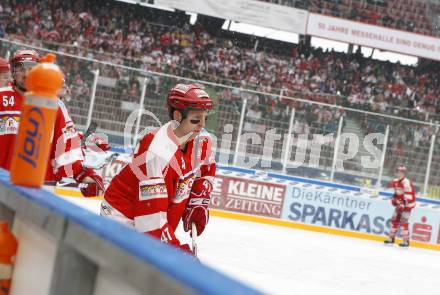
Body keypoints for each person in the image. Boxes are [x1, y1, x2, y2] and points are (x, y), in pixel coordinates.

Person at [101, 83, 216, 252]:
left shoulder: (201, 141)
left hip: (150, 219)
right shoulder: (156, 151)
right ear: (177, 116)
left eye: (205, 118)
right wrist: (176, 252)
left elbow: (206, 168)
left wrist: (199, 199)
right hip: (122, 220)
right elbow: (150, 221)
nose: (202, 125)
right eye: (195, 120)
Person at [0, 49, 103, 197]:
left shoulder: (54, 105)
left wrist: (82, 174)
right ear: (13, 73)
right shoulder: (1, 97)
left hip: (38, 189)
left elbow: (66, 146)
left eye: (31, 69)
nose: (26, 74)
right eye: (20, 69)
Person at [384, 166, 416, 247]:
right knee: (394, 220)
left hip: (408, 205)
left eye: (401, 172)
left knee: (404, 222)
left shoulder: (407, 182)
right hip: (400, 204)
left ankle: (406, 241)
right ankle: (391, 239)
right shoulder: (395, 181)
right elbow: (396, 193)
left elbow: (409, 196)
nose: (399, 173)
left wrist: (403, 204)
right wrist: (394, 199)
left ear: (404, 173)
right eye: (398, 171)